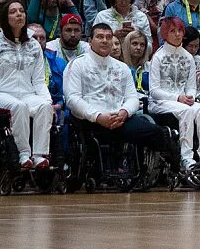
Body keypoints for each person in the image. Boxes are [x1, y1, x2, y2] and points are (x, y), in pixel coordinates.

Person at [65, 19, 170, 159]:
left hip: (120, 119)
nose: (105, 41)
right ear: (90, 41)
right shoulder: (77, 64)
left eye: (108, 37)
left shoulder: (121, 67)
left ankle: (161, 173)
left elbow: (132, 97)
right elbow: (72, 99)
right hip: (90, 121)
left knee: (157, 132)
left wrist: (124, 112)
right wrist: (98, 117)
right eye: (100, 37)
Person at [0, 0, 55, 170]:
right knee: (18, 106)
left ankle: (40, 155)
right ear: (5, 17)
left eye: (21, 11)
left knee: (44, 106)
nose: (19, 14)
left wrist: (48, 101)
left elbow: (39, 81)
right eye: (13, 12)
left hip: (27, 93)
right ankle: (24, 154)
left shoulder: (34, 45)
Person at [147, 15, 200, 178]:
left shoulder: (187, 57)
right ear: (165, 33)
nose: (177, 34)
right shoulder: (158, 57)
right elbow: (154, 90)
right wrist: (178, 98)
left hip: (183, 101)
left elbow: (191, 86)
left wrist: (190, 96)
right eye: (172, 31)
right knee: (188, 111)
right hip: (160, 102)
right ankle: (186, 157)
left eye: (179, 31)